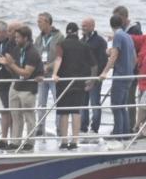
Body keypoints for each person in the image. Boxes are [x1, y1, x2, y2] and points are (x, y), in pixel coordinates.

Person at [53, 22, 96, 150]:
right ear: (77, 32)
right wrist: (92, 81)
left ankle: (64, 140)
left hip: (63, 83)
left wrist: (55, 74)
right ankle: (75, 141)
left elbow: (58, 59)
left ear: (67, 32)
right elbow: (94, 65)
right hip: (79, 83)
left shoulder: (61, 45)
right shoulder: (85, 45)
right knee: (76, 112)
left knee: (64, 113)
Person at [0, 25, 43, 148]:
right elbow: (14, 71)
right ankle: (15, 141)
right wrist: (7, 64)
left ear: (26, 38)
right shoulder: (17, 49)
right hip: (16, 85)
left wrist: (11, 64)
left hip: (28, 88)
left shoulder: (33, 52)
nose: (15, 39)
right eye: (15, 37)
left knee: (29, 116)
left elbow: (26, 73)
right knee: (15, 115)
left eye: (18, 37)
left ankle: (30, 142)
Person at [102, 14, 136, 143]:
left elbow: (114, 55)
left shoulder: (118, 36)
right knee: (123, 106)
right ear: (122, 24)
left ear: (111, 25)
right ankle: (126, 133)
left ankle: (118, 134)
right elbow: (134, 58)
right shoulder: (128, 36)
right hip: (129, 75)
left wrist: (105, 72)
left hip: (120, 75)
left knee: (116, 106)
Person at [33, 12, 63, 136]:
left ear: (47, 22)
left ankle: (60, 128)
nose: (38, 24)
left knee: (58, 102)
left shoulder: (59, 37)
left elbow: (60, 56)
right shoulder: (39, 38)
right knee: (41, 103)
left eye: (40, 21)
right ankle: (40, 128)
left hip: (54, 75)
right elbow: (35, 55)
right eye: (37, 21)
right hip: (42, 75)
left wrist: (49, 66)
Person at [0, 20, 15, 149]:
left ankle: (12, 138)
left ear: (4, 32)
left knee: (11, 110)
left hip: (9, 79)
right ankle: (4, 138)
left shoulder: (11, 43)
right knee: (3, 110)